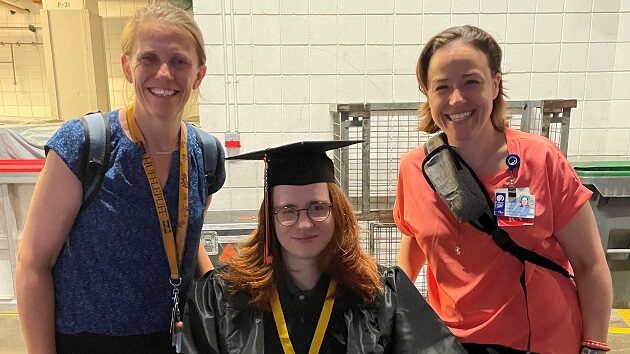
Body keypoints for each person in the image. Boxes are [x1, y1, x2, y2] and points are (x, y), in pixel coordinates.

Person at [15, 2, 225, 353]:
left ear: (198, 74)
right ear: (127, 67)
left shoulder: (206, 155)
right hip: (90, 342)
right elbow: (33, 263)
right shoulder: (85, 145)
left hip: (176, 340)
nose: (163, 74)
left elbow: (183, 234)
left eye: (178, 61)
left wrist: (213, 297)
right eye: (148, 59)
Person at [394, 25, 612, 354]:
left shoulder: (540, 160)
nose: (456, 99)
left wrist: (594, 345)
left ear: (494, 84)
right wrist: (398, 312)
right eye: (442, 87)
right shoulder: (415, 169)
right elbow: (415, 238)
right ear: (428, 93)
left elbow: (590, 262)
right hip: (449, 343)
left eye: (471, 82)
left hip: (540, 342)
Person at [183, 141, 466, 353]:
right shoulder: (221, 296)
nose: (304, 224)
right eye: (288, 210)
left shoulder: (380, 293)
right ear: (269, 219)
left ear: (338, 212)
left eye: (318, 207)